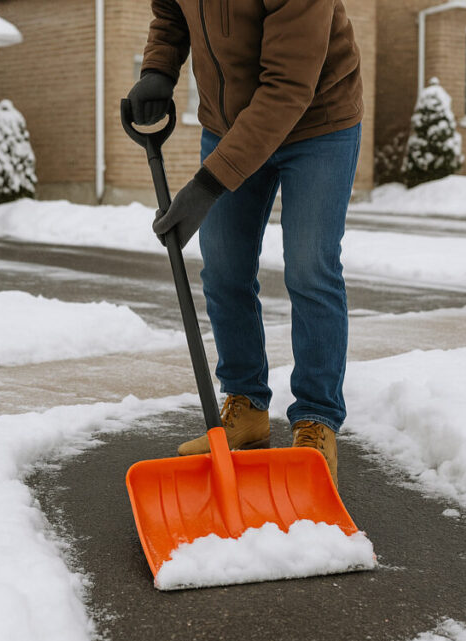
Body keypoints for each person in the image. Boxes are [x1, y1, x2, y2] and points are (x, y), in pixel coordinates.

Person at [126, 0, 364, 485]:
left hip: (317, 122)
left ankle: (316, 420)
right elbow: (171, 15)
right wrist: (158, 69)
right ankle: (247, 406)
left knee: (309, 268)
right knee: (224, 269)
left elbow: (288, 86)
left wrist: (208, 186)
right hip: (227, 123)